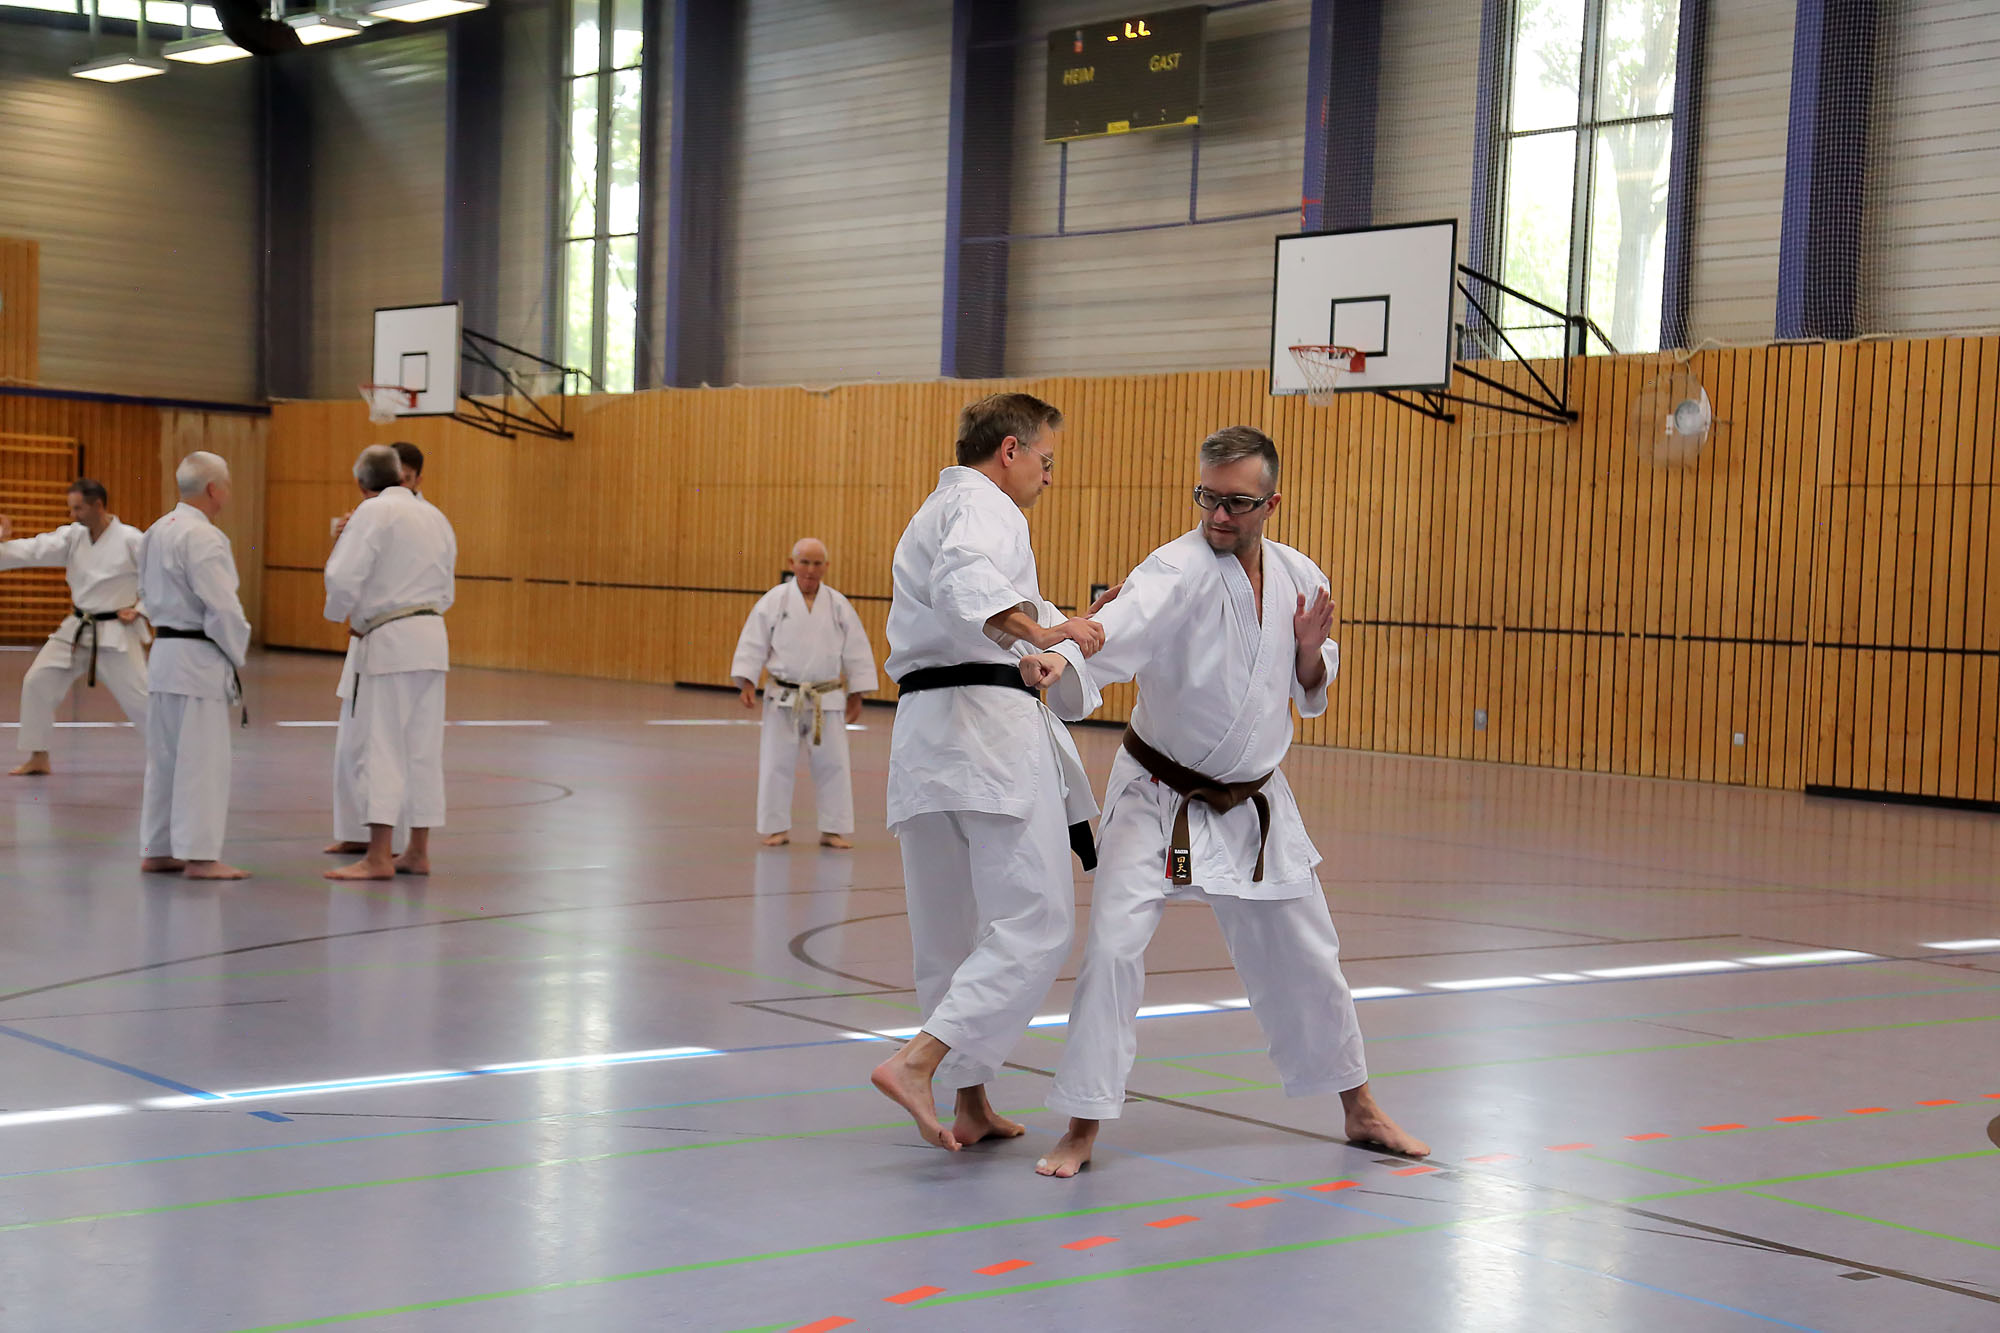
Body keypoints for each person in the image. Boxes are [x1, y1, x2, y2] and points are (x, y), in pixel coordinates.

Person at [1027, 425, 1428, 1177]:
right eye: (1206, 497)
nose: (1217, 515)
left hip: (1255, 801)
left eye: (1236, 502)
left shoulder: (1301, 576)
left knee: (1310, 956)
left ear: (1271, 503)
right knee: (1112, 949)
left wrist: (1307, 653)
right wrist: (1062, 655)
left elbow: (1312, 683)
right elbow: (1117, 623)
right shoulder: (1173, 569)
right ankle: (1082, 1123)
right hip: (1157, 795)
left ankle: (1360, 1107)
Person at [868, 392, 1106, 1152]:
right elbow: (966, 581)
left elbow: (965, 604)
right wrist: (1042, 629)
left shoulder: (932, 511)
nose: (1048, 475)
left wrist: (1040, 638)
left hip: (926, 736)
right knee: (1037, 919)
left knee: (949, 932)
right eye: (1045, 459)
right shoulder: (984, 505)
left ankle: (969, 1101)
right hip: (986, 736)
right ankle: (918, 1061)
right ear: (1010, 450)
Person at [322, 444, 457, 881]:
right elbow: (447, 589)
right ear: (402, 476)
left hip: (390, 641)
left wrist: (340, 613)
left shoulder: (373, 512)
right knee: (423, 749)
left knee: (382, 746)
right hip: (431, 638)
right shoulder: (435, 517)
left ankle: (379, 856)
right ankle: (417, 851)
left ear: (361, 483)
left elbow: (341, 576)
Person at [138, 452, 251, 881]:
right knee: (202, 761)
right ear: (213, 489)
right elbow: (222, 607)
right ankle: (202, 858)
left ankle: (158, 849)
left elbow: (144, 590)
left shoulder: (156, 530)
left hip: (164, 655)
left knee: (164, 759)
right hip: (197, 659)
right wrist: (236, 652)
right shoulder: (204, 537)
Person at [729, 538, 878, 848]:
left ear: (826, 566)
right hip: (783, 697)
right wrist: (747, 680)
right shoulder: (774, 600)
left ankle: (833, 829)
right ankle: (776, 827)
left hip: (827, 698)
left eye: (817, 563)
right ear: (792, 564)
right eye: (804, 562)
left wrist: (857, 693)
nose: (810, 569)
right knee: (776, 763)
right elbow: (754, 641)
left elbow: (856, 650)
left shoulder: (838, 604)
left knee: (834, 764)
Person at [0, 480, 148, 776]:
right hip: (77, 628)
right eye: (71, 508)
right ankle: (38, 756)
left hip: (116, 632)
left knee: (143, 700)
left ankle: (174, 758)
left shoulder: (133, 540)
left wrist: (142, 609)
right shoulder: (73, 536)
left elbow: (160, 578)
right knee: (37, 681)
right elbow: (33, 550)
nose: (72, 515)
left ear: (98, 506)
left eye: (78, 508)